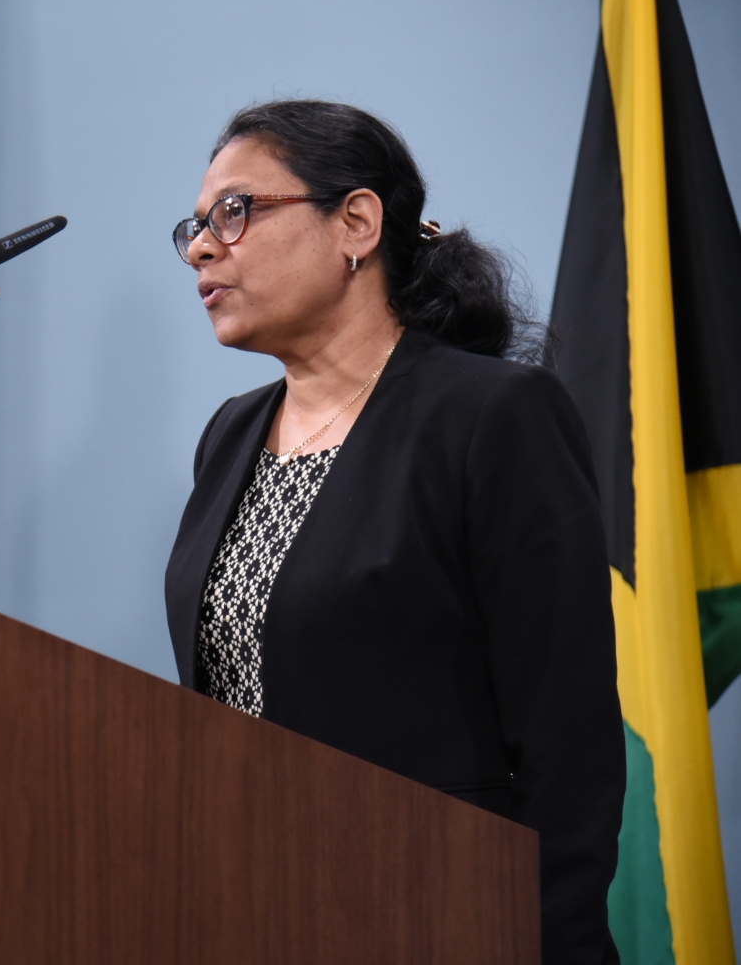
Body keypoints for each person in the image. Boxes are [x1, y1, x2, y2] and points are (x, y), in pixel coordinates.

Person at [164, 101, 624, 964]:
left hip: (440, 913)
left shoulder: (494, 415)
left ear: (357, 223)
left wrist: (539, 938)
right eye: (195, 227)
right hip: (252, 910)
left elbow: (569, 740)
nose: (202, 248)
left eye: (235, 211)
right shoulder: (230, 434)